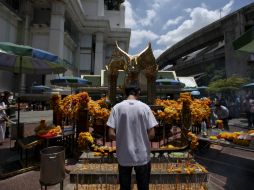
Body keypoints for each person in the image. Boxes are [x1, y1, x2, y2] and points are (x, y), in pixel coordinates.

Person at [107, 85, 158, 190]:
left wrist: (123, 139)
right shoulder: (145, 107)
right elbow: (152, 133)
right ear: (138, 92)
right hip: (142, 155)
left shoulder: (117, 108)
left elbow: (111, 134)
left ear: (125, 93)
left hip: (124, 154)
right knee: (143, 187)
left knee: (124, 187)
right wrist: (141, 139)